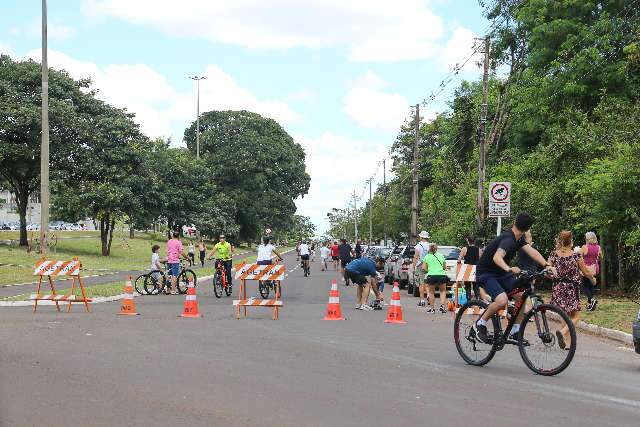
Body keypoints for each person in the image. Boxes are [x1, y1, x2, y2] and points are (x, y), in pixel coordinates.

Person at [473, 213, 554, 344]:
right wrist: (509, 269)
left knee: (521, 296)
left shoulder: (518, 239)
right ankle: (479, 324)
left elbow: (532, 252)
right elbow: (497, 257)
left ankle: (514, 331)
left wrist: (547, 265)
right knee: (502, 300)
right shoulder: (508, 239)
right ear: (528, 229)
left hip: (501, 273)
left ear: (515, 222)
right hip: (486, 273)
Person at [549, 230, 594, 349]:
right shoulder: (576, 255)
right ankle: (563, 333)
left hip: (558, 288)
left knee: (565, 315)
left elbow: (548, 272)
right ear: (571, 242)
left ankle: (566, 344)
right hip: (571, 288)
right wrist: (593, 279)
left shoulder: (554, 254)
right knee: (576, 316)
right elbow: (586, 271)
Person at [422, 243, 448, 313]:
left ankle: (432, 309)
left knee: (431, 292)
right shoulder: (441, 256)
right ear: (437, 249)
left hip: (431, 276)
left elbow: (424, 268)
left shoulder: (427, 257)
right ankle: (442, 306)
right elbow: (444, 267)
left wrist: (429, 271)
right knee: (442, 291)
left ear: (429, 249)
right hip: (441, 275)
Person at [580, 231, 602, 311]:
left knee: (584, 286)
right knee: (590, 286)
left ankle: (592, 299)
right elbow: (600, 257)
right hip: (595, 268)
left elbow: (579, 257)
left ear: (588, 239)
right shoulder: (598, 247)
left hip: (586, 268)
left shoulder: (585, 247)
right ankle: (590, 305)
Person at [458, 236, 481, 302]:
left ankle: (468, 302)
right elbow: (481, 259)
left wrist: (459, 263)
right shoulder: (478, 249)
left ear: (468, 241)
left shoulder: (464, 249)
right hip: (475, 269)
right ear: (474, 241)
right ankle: (478, 301)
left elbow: (459, 260)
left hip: (467, 269)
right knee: (476, 286)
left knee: (467, 286)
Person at [412, 231, 430, 307]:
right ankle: (429, 295)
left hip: (420, 265)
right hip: (429, 265)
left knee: (421, 283)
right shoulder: (430, 245)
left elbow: (416, 257)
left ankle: (422, 300)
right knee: (427, 282)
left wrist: (413, 266)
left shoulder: (418, 246)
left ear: (421, 237)